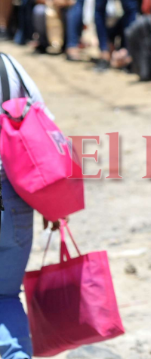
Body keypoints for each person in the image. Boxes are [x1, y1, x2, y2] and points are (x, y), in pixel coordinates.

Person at [0, 54, 48, 359]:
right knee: (5, 296)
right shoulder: (8, 66)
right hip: (13, 197)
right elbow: (44, 127)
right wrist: (52, 202)